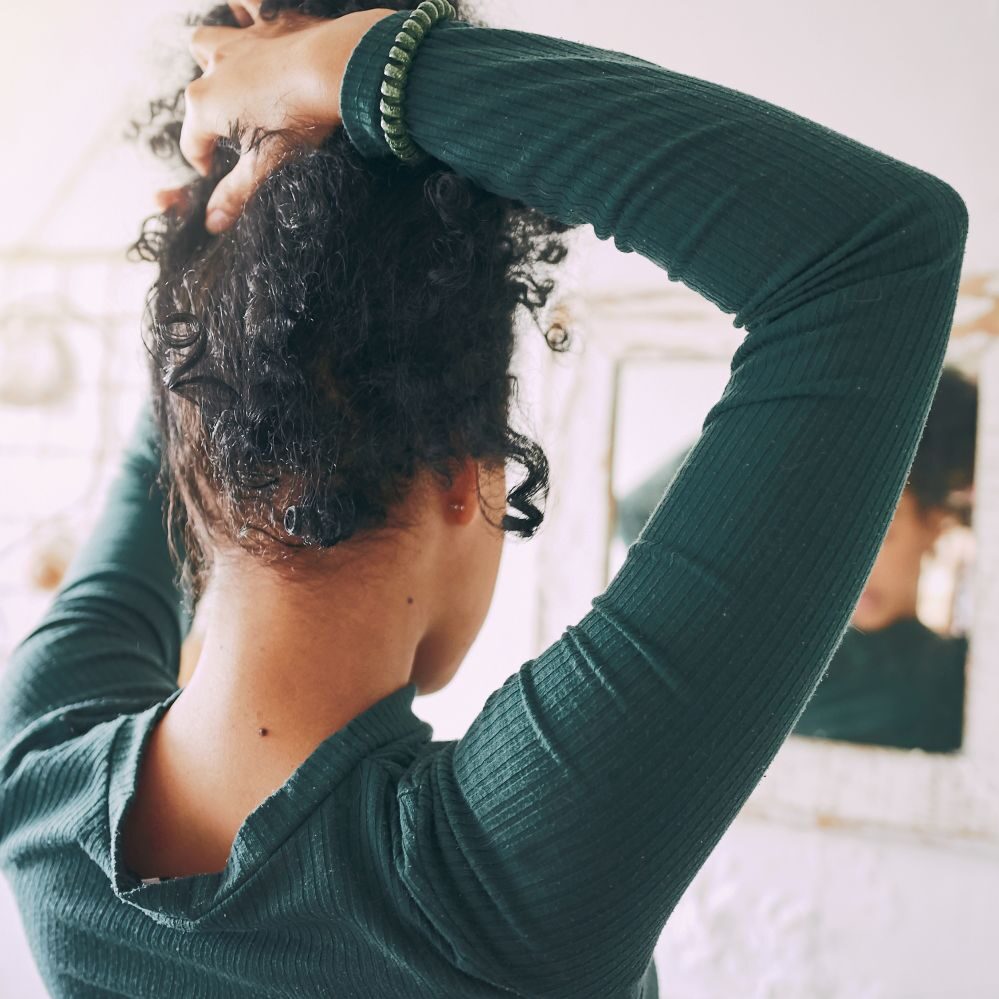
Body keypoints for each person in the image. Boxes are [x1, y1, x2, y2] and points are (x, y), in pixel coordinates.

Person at [0, 2, 968, 997]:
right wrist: (350, 76)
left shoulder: (41, 776)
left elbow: (876, 251)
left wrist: (240, 244)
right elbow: (871, 251)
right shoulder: (492, 886)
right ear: (464, 474)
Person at [618, 368, 978, 753]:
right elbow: (642, 517)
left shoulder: (950, 679)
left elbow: (642, 515)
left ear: (936, 521)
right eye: (824, 535)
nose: (849, 569)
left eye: (878, 533)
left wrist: (806, 411)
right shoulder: (781, 648)